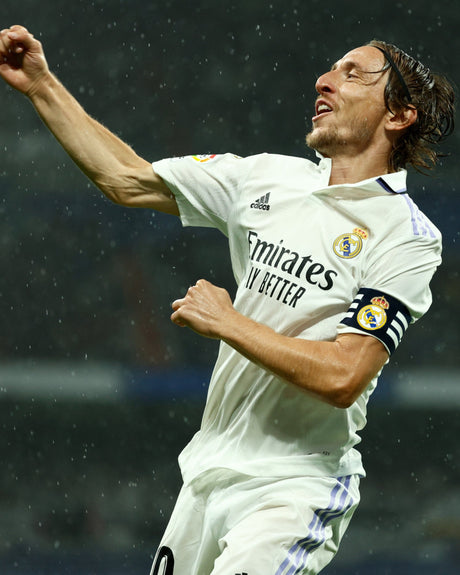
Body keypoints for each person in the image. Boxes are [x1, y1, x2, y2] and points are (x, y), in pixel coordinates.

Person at [0, 25, 455, 575]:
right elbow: (125, 179)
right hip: (206, 477)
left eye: (353, 74)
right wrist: (42, 85)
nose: (324, 80)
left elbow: (344, 375)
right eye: (331, 69)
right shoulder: (265, 177)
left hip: (293, 485)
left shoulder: (405, 236)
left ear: (398, 115)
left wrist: (229, 322)